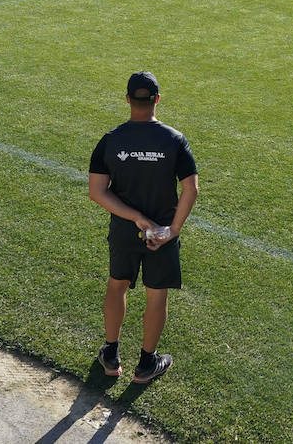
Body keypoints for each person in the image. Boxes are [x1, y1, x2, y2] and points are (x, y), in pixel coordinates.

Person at [88, 72, 199, 385]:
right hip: (162, 235)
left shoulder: (111, 139)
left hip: (125, 231)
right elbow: (191, 189)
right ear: (157, 100)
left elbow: (97, 191)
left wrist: (135, 217)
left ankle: (110, 356)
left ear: (127, 100)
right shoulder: (174, 140)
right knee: (156, 295)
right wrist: (171, 230)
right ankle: (147, 363)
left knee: (116, 285)